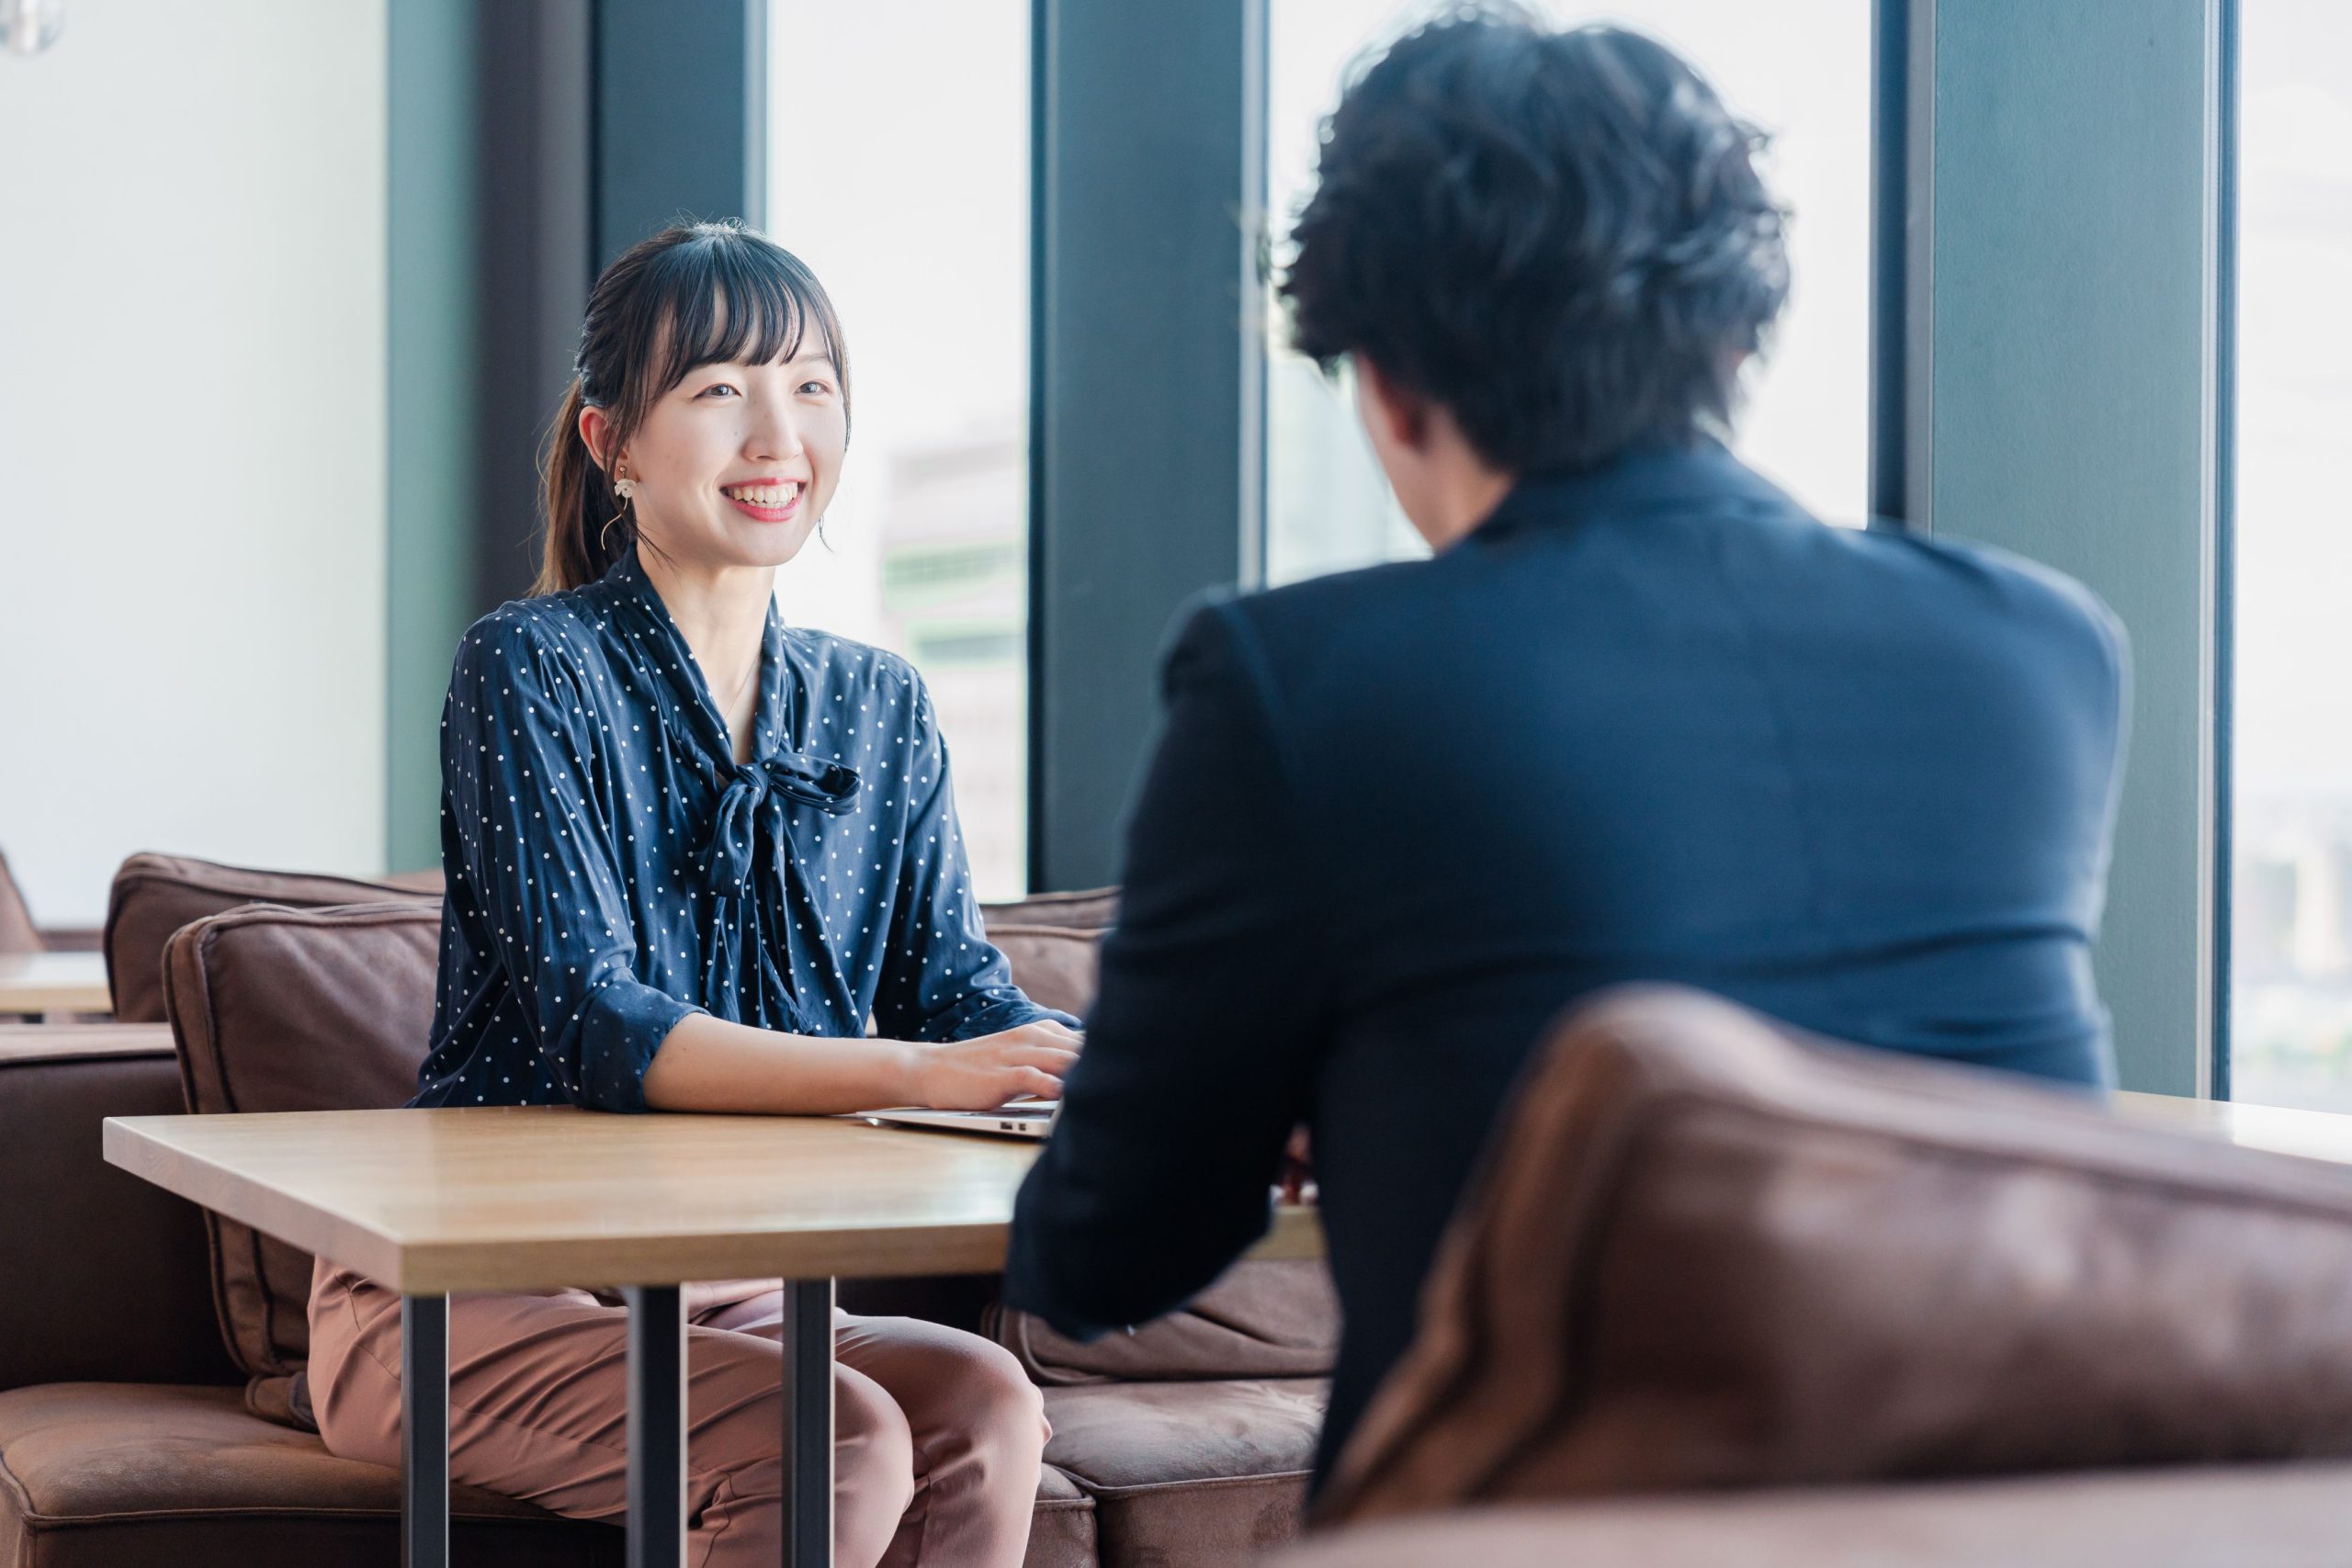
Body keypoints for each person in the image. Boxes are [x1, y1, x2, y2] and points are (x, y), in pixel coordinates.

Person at [1005, 9, 2129, 1489]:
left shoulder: (1309, 683)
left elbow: (1103, 1254)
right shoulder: (2042, 654)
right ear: (1730, 338)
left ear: (1392, 388)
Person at [305, 221, 1080, 1568]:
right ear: (614, 443)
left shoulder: (879, 705)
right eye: (721, 390)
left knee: (990, 1407)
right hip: (462, 1289)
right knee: (840, 1436)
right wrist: (922, 1070)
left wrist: (1119, 1072)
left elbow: (960, 994)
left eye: (812, 386)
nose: (777, 433)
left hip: (725, 1293)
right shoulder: (529, 669)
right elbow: (601, 1023)